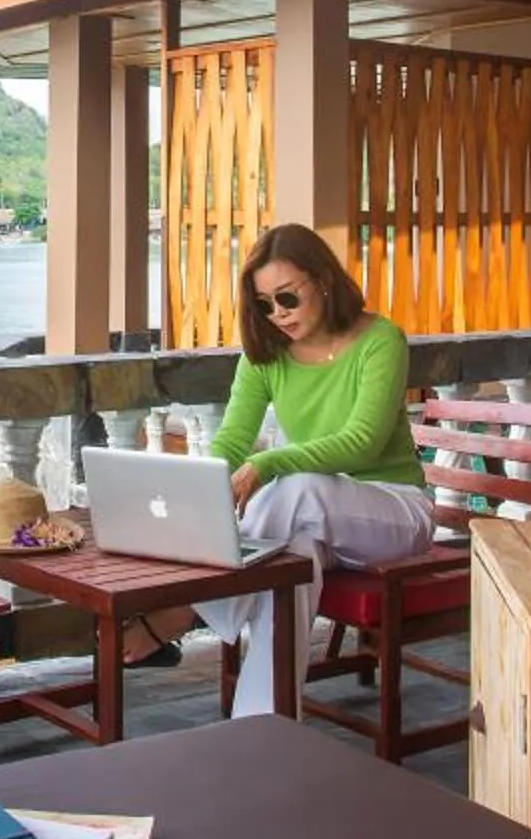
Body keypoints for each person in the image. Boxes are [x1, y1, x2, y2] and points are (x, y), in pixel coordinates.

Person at [131, 222, 436, 720]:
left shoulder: (380, 340)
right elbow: (233, 440)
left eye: (287, 298)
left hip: (395, 511)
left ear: (324, 280)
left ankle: (187, 610)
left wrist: (267, 463)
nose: (278, 314)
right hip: (313, 521)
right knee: (289, 572)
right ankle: (263, 728)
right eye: (265, 304)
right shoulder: (267, 355)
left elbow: (363, 442)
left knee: (297, 490)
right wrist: (195, 490)